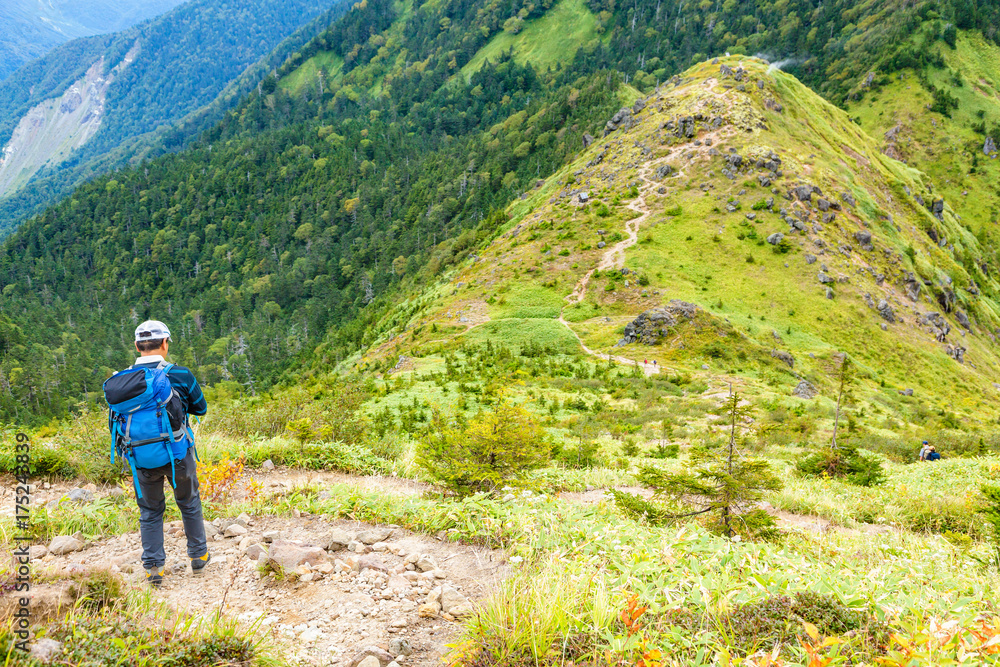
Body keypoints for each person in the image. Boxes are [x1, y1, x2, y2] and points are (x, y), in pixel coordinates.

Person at [107, 320, 210, 587]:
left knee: (150, 511)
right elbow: (201, 408)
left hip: (140, 457)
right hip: (177, 453)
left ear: (137, 346)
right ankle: (198, 557)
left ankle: (154, 569)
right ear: (165, 344)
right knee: (188, 501)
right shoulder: (180, 374)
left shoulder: (122, 381)